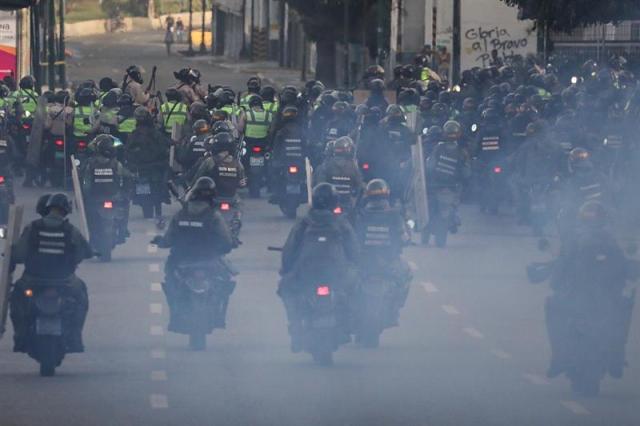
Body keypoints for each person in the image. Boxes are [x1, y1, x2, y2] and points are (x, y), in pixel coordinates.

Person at [544, 201, 635, 390]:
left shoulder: (579, 240)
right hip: (593, 298)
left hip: (591, 298)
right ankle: (614, 356)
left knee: (553, 306)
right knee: (623, 309)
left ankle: (560, 357)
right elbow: (625, 268)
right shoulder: (606, 240)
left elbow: (560, 269)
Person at [278, 183, 359, 352]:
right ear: (334, 201)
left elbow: (290, 249)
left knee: (285, 288)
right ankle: (349, 323)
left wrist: (286, 270)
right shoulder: (341, 223)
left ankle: (295, 326)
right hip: (336, 273)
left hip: (307, 273)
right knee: (355, 286)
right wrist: (355, 264)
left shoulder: (304, 223)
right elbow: (354, 250)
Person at [9, 193, 93, 353]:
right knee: (81, 296)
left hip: (32, 280)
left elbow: (19, 255)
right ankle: (75, 336)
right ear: (65, 211)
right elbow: (84, 252)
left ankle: (20, 335)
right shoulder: (71, 230)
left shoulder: (32, 227)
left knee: (16, 299)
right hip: (65, 281)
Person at [152, 177, 235, 332]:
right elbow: (226, 240)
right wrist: (227, 246)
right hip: (209, 259)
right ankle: (218, 314)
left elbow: (169, 238)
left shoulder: (180, 215)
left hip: (182, 260)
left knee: (170, 281)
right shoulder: (214, 216)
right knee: (226, 280)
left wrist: (161, 242)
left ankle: (175, 313)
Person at [354, 179, 412, 327]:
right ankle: (395, 309)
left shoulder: (360, 215)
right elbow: (405, 238)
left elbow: (350, 238)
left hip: (363, 262)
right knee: (407, 274)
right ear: (386, 196)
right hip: (388, 262)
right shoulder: (394, 216)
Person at [81, 134, 132, 244]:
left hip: (96, 198)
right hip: (113, 197)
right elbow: (126, 176)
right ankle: (123, 231)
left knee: (89, 215)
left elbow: (86, 184)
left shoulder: (90, 164)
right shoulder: (116, 164)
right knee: (125, 206)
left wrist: (85, 196)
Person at [125, 107, 170, 220]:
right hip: (151, 167)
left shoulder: (136, 134)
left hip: (146, 167)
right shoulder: (153, 133)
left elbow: (128, 151)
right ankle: (158, 210)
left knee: (164, 180)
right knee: (161, 185)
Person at [313, 136, 364, 219]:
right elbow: (359, 186)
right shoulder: (353, 167)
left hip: (329, 204)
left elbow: (319, 185)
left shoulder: (326, 165)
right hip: (347, 204)